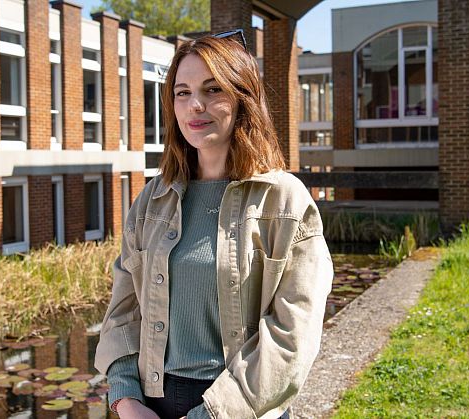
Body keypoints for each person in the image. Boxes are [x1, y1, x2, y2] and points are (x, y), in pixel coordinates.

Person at [94, 32, 333, 419]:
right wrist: (125, 398)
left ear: (243, 99)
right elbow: (122, 312)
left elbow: (293, 335)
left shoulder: (286, 202)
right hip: (152, 407)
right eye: (182, 92)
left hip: (242, 409)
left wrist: (214, 413)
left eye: (212, 89)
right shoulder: (152, 200)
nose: (195, 105)